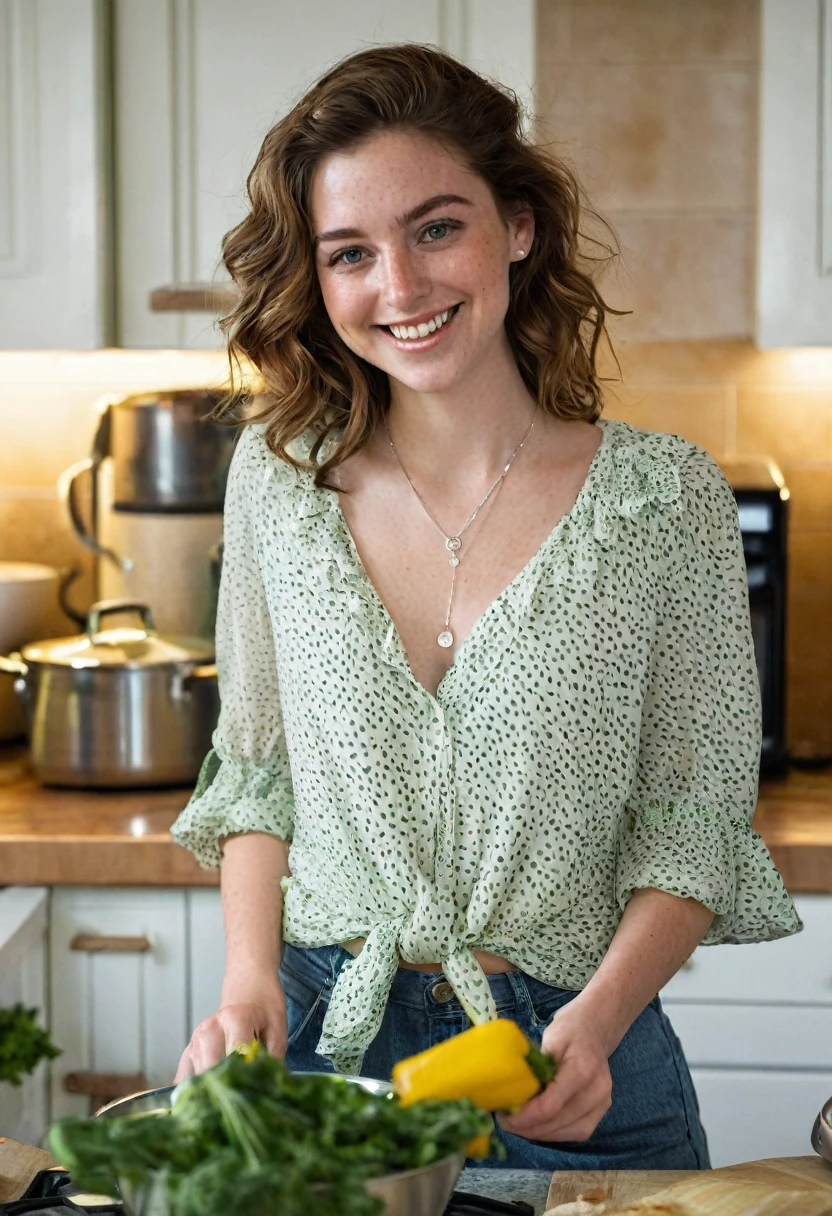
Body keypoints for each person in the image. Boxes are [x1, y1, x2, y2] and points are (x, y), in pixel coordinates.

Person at [170, 44, 800, 1171]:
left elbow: (694, 824)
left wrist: (597, 1021)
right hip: (323, 1061)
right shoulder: (280, 480)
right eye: (350, 253)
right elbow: (257, 771)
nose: (400, 289)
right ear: (317, 280)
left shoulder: (662, 500)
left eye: (435, 227)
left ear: (517, 226)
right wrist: (246, 982)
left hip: (571, 1062)